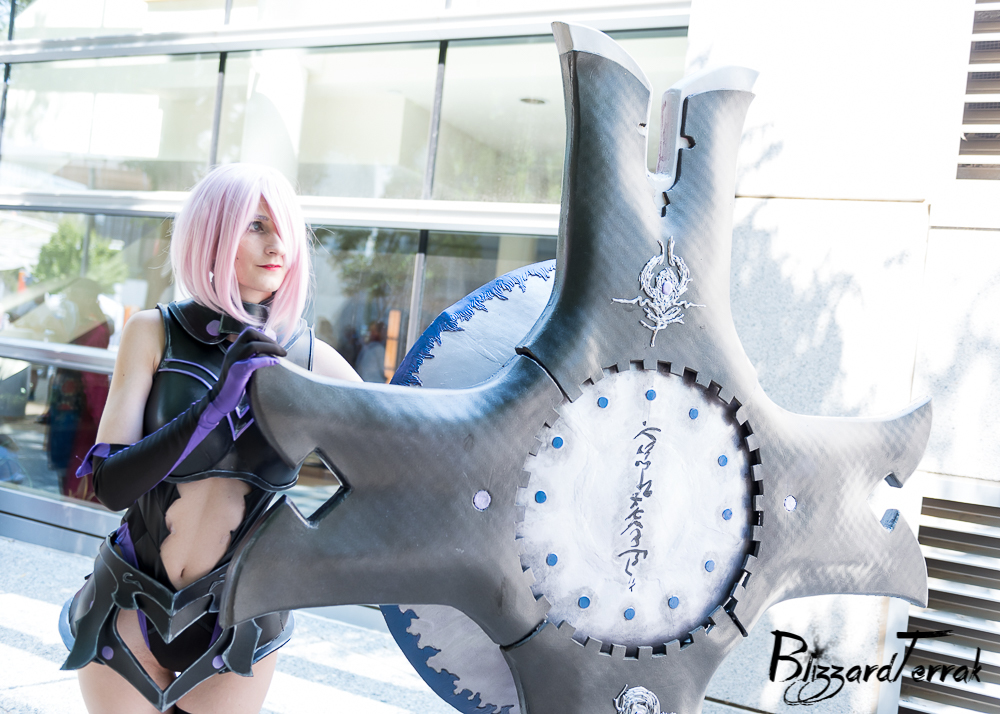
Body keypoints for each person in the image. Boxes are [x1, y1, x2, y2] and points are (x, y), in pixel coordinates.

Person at [60, 164, 361, 714]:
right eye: (257, 226)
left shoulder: (311, 359)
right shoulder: (152, 331)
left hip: (240, 620)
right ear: (213, 233)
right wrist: (212, 407)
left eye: (285, 229)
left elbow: (391, 467)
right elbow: (109, 486)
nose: (278, 246)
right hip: (127, 598)